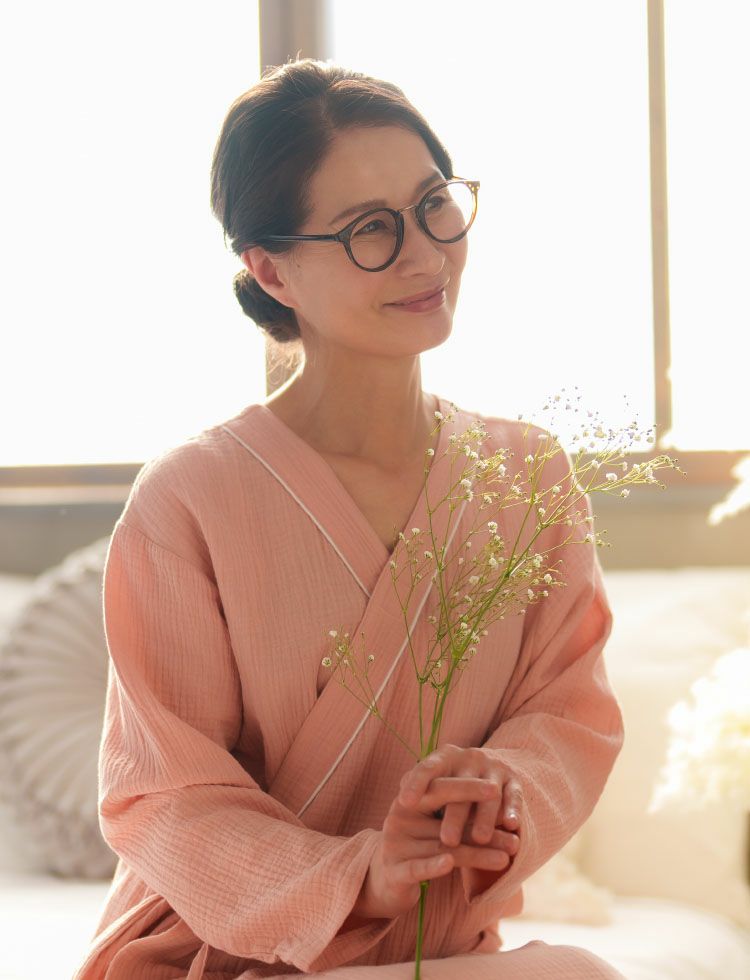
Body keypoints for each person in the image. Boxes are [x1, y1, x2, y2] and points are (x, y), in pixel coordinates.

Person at [74, 59, 626, 979]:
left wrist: (494, 794)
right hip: (213, 954)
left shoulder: (528, 474)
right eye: (370, 228)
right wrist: (362, 875)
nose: (424, 254)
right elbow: (165, 795)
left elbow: (570, 712)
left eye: (433, 205)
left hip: (435, 949)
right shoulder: (189, 498)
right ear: (270, 270)